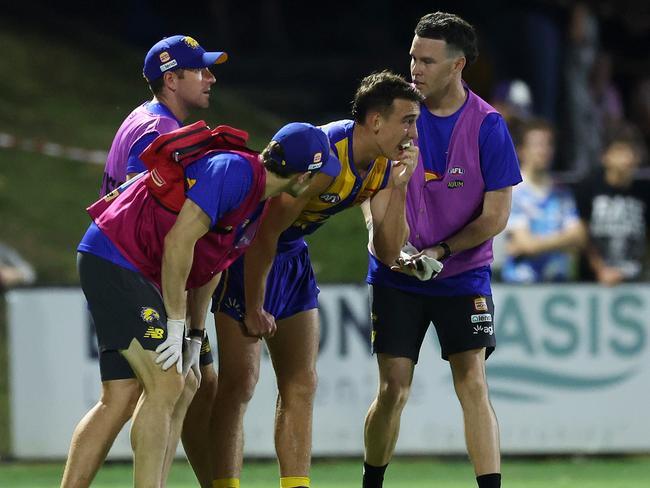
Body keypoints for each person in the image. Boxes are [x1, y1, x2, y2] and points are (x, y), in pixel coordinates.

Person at [65, 120, 328, 488]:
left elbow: (209, 267)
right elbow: (178, 245)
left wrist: (194, 333)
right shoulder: (235, 172)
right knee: (168, 380)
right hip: (115, 258)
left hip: (132, 264)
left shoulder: (256, 199)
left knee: (179, 382)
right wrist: (175, 323)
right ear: (304, 178)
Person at [207, 71, 423, 488]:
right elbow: (264, 231)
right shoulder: (324, 156)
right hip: (244, 251)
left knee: (302, 381)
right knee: (240, 384)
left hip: (290, 257)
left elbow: (387, 250)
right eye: (408, 120)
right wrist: (254, 306)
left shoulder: (383, 167)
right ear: (376, 121)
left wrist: (400, 188)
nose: (414, 131)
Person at [362, 13, 522, 488]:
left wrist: (442, 249)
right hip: (396, 272)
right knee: (393, 387)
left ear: (457, 66)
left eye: (427, 60)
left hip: (462, 273)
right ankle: (372, 482)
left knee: (471, 379)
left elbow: (496, 217)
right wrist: (389, 244)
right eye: (412, 56)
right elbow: (369, 191)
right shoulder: (393, 115)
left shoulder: (488, 126)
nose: (415, 68)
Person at [61, 34, 227, 488]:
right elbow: (148, 215)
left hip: (121, 264)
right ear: (171, 79)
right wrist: (185, 323)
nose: (211, 77)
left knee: (123, 395)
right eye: (201, 70)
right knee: (174, 383)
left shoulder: (144, 118)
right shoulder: (161, 134)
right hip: (128, 266)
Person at [501, 118, 586, 283]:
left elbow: (580, 237)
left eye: (548, 144)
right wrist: (565, 240)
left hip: (559, 284)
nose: (544, 150)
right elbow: (526, 244)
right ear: (521, 150)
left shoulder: (562, 192)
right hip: (521, 285)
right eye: (537, 145)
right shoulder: (511, 191)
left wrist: (534, 245)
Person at [575, 124, 650, 285]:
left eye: (633, 152)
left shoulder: (645, 191)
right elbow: (582, 235)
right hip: (593, 282)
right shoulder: (588, 187)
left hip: (635, 281)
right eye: (621, 151)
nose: (628, 158)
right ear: (606, 156)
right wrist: (600, 269)